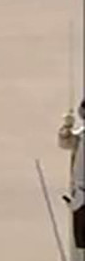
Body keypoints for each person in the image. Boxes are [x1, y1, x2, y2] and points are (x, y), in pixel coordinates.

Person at [59, 100, 85, 261]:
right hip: (81, 194)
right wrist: (66, 127)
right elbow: (65, 142)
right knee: (81, 242)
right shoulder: (81, 135)